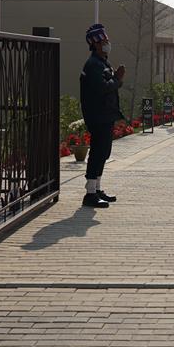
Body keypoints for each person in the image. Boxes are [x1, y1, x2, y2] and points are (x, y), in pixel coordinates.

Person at [79, 23, 126, 208]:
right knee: (98, 152)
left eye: (107, 40)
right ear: (95, 44)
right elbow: (102, 88)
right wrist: (117, 79)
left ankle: (97, 188)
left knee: (104, 152)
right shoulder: (93, 65)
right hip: (97, 116)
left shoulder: (102, 62)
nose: (107, 43)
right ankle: (90, 193)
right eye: (103, 41)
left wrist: (116, 80)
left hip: (106, 115)